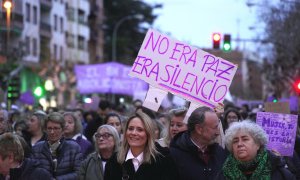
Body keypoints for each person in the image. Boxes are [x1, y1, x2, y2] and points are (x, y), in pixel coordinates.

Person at [104, 109, 179, 180]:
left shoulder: (163, 159)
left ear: (148, 133)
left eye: (140, 129)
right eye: (130, 128)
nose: (133, 133)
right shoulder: (114, 161)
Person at [215, 120, 296, 180]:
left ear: (258, 144)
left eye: (245, 139)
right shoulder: (223, 175)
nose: (239, 144)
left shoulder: (281, 173)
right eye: (235, 141)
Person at [170, 106, 228, 180]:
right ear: (199, 129)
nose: (217, 133)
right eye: (215, 128)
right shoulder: (173, 155)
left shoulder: (220, 153)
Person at [31, 112, 83, 180]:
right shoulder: (37, 148)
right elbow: (32, 171)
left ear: (63, 130)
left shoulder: (73, 148)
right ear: (45, 130)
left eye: (56, 128)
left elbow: (79, 173)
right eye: (49, 128)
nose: (52, 132)